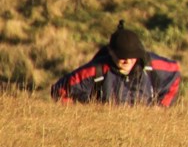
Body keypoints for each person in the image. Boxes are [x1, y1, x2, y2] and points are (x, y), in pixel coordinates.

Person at [50, 23, 180, 107]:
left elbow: (175, 72)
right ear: (113, 56)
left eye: (132, 57)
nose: (127, 61)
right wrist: (83, 113)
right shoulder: (97, 70)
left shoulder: (153, 65)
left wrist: (162, 107)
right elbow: (59, 90)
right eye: (122, 57)